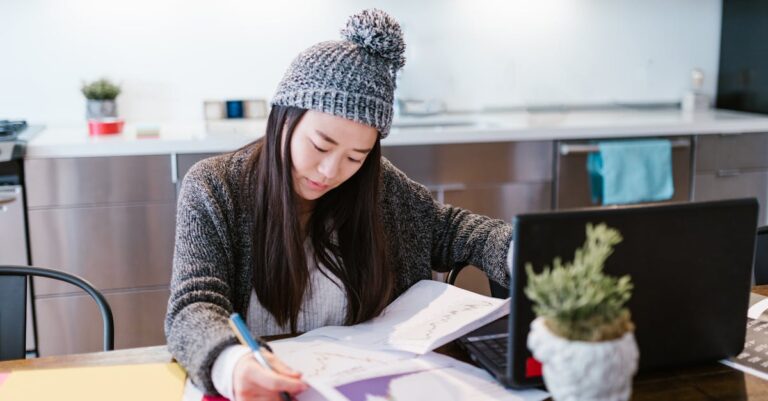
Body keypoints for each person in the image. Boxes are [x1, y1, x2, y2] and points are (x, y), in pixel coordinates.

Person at [165, 8, 513, 401]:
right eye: (320, 145)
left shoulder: (379, 187)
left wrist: (519, 250)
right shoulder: (215, 187)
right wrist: (231, 364)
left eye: (354, 157)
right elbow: (193, 306)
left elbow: (454, 230)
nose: (330, 171)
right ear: (284, 119)